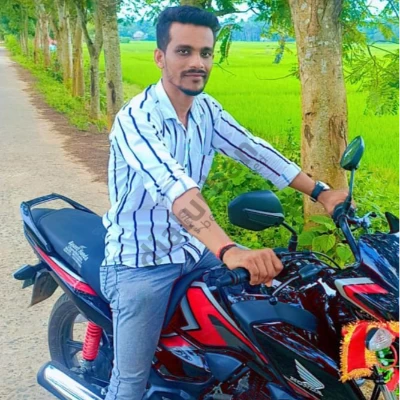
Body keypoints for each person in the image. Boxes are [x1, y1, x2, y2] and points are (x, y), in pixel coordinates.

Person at [99, 6, 348, 400]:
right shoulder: (137, 120)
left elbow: (254, 151)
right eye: (184, 51)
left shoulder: (206, 111)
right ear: (160, 57)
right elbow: (177, 190)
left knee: (265, 313)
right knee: (130, 383)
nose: (197, 63)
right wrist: (230, 249)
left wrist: (321, 192)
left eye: (205, 53)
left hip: (192, 251)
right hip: (140, 263)